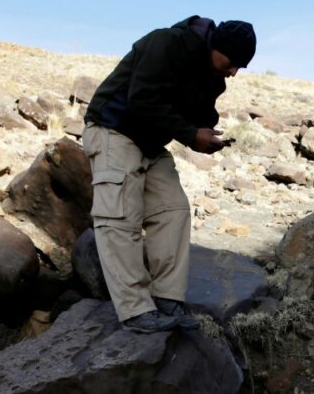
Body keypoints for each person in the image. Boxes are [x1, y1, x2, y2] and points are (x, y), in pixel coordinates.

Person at [82, 16, 256, 333]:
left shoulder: (213, 77)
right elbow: (142, 99)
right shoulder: (166, 43)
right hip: (113, 129)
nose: (234, 72)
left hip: (150, 141)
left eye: (239, 67)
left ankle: (167, 299)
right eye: (233, 62)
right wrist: (191, 134)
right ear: (218, 47)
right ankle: (135, 311)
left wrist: (205, 135)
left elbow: (194, 115)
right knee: (120, 216)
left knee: (173, 209)